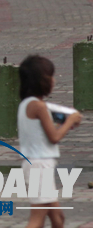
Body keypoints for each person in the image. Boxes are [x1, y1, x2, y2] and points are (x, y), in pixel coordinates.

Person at [17, 55, 82, 228]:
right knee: (37, 219)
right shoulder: (38, 106)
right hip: (40, 165)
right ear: (41, 81)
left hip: (37, 164)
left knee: (58, 218)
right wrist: (70, 121)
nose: (53, 81)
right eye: (50, 77)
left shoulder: (27, 104)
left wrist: (66, 120)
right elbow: (54, 137)